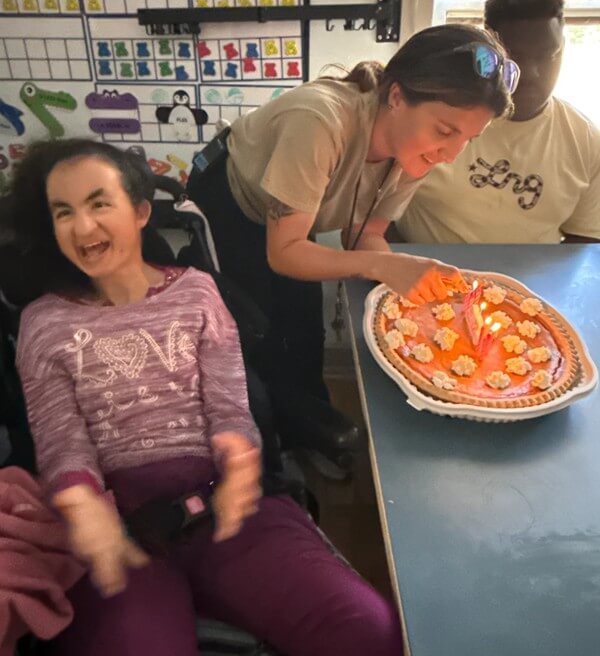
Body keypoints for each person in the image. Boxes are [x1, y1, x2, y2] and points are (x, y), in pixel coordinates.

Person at [9, 139, 403, 656]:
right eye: (64, 212)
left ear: (140, 212)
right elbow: (62, 440)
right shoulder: (43, 323)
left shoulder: (196, 292)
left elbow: (229, 404)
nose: (83, 227)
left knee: (365, 627)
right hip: (118, 524)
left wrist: (239, 456)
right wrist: (82, 502)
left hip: (223, 499)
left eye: (99, 203)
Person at [187, 23, 515, 445]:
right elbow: (284, 253)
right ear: (396, 97)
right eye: (445, 131)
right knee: (253, 324)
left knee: (305, 323)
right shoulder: (319, 123)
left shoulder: (414, 149)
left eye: (468, 139)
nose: (451, 154)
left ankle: (309, 426)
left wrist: (417, 296)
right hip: (232, 197)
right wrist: (383, 265)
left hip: (289, 226)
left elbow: (363, 236)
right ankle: (265, 444)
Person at [396, 0, 600, 243]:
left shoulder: (587, 143)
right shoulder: (434, 117)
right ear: (488, 50)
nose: (532, 74)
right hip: (419, 264)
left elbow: (586, 241)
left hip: (529, 270)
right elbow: (370, 218)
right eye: (516, 57)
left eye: (548, 56)